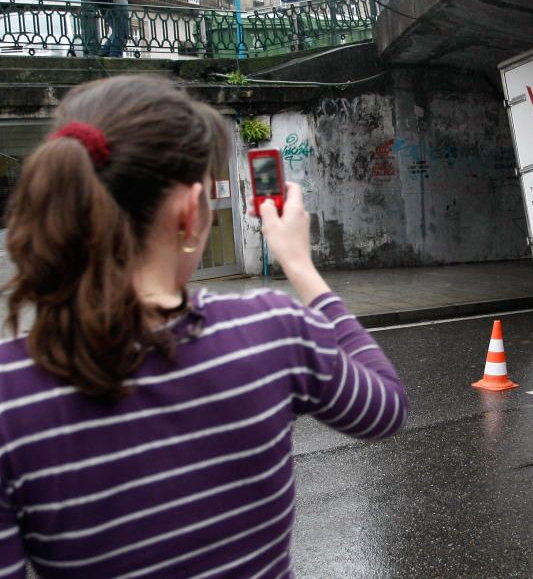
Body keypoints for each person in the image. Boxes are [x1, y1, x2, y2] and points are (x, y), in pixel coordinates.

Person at [0, 75, 408, 577]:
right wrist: (301, 267)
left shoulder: (9, 398)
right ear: (190, 212)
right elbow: (384, 408)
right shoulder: (273, 328)